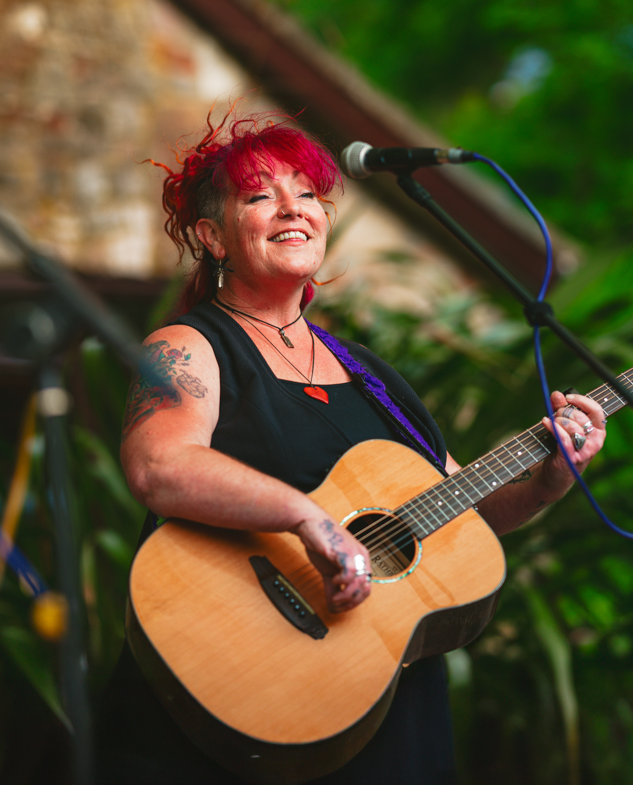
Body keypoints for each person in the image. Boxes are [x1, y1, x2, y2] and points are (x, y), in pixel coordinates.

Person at [100, 110, 607, 784]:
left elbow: (464, 511)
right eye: (260, 195)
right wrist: (308, 519)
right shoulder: (191, 346)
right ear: (210, 236)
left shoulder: (368, 373)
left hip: (379, 701)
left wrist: (547, 479)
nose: (294, 208)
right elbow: (159, 466)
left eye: (307, 193)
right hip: (235, 689)